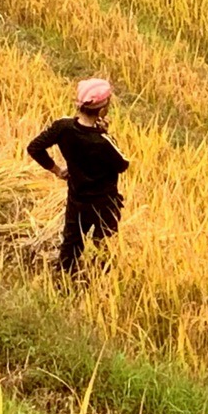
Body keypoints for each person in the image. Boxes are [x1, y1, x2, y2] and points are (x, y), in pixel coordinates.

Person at [27, 77, 129, 274]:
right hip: (105, 203)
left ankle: (63, 282)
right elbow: (122, 164)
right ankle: (100, 281)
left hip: (77, 199)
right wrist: (106, 133)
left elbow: (34, 147)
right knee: (103, 245)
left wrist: (57, 170)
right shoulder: (102, 142)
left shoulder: (63, 128)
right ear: (101, 111)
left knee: (71, 244)